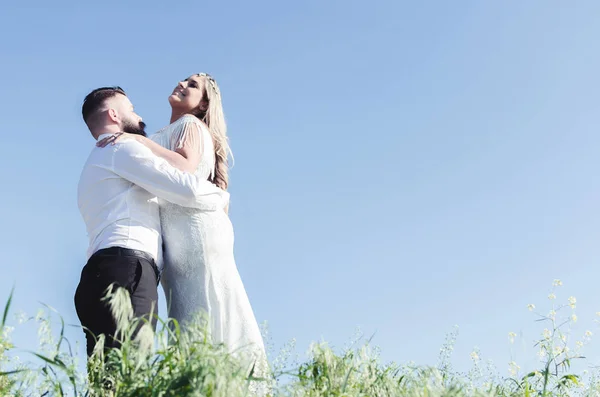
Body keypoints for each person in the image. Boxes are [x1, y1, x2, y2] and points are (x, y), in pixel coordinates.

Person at [98, 74, 268, 382]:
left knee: (202, 309)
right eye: (184, 79)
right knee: (190, 314)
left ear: (203, 103)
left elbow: (185, 166)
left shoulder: (189, 125)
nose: (182, 84)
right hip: (177, 237)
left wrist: (136, 140)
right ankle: (205, 380)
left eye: (192, 85)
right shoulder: (171, 130)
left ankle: (217, 380)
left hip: (193, 233)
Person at [76, 86, 228, 357]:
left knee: (107, 380)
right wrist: (220, 197)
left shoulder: (94, 161)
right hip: (126, 272)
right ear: (114, 114)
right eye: (132, 109)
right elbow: (185, 188)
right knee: (129, 371)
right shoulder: (121, 147)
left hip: (100, 273)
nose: (139, 115)